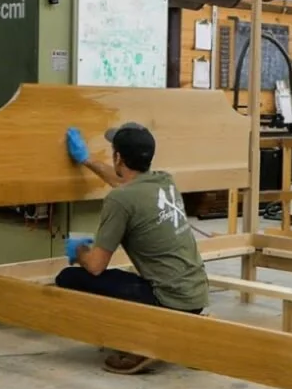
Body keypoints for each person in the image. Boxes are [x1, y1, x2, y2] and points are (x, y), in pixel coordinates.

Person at [56, 122, 210, 375]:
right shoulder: (164, 181)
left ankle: (142, 340)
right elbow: (125, 187)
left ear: (118, 157)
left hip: (168, 300)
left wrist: (80, 251)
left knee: (69, 277)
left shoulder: (120, 200)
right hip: (195, 295)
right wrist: (86, 160)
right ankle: (176, 327)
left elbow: (96, 266)